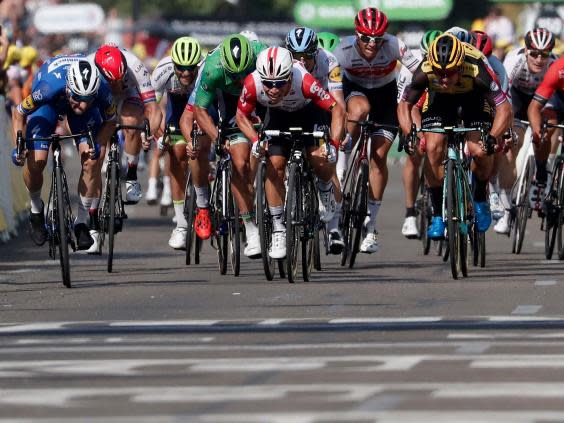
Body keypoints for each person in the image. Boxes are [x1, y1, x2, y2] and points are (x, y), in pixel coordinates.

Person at [398, 34, 513, 239]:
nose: (443, 78)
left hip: (473, 100)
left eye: (448, 73)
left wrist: (494, 137)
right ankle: (437, 215)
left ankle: (479, 199)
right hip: (440, 101)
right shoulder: (425, 70)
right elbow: (405, 105)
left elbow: (503, 108)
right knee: (432, 148)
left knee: (480, 149)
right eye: (438, 72)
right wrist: (409, 134)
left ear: (460, 67)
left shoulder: (478, 70)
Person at [236, 47, 345, 259]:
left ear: (289, 76)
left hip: (308, 112)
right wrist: (255, 140)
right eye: (268, 84)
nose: (273, 89)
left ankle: (324, 190)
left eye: (279, 84)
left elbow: (337, 109)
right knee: (275, 166)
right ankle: (279, 229)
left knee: (320, 160)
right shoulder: (253, 83)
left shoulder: (304, 80)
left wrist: (333, 143)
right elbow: (241, 115)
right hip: (277, 116)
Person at [333, 7, 421, 253]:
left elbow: (421, 71)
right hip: (355, 91)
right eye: (366, 37)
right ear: (356, 33)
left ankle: (371, 226)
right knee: (359, 109)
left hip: (385, 95)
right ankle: (346, 151)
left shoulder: (395, 45)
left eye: (377, 38)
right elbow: (326, 83)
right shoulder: (342, 50)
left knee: (379, 156)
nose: (372, 43)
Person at [11, 56, 116, 251]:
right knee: (38, 161)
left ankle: (82, 222)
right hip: (49, 104)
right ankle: (36, 210)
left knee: (92, 160)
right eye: (78, 98)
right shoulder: (47, 88)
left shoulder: (101, 89)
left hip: (82, 111)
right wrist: (19, 145)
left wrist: (99, 144)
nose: (82, 105)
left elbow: (111, 121)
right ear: (69, 88)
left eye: (88, 99)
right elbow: (18, 113)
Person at [183, 34, 267, 258]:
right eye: (234, 75)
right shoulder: (212, 68)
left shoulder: (263, 55)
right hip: (231, 106)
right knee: (239, 163)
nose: (240, 79)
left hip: (262, 99)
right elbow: (197, 112)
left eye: (244, 73)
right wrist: (219, 138)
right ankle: (250, 228)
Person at [286, 26, 345, 253]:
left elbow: (337, 103)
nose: (301, 61)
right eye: (296, 56)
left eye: (306, 57)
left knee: (324, 161)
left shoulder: (329, 62)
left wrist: (336, 140)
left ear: (315, 53)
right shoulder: (284, 63)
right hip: (292, 107)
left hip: (322, 106)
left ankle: (333, 227)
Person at [495, 28, 557, 234]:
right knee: (512, 143)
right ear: (526, 51)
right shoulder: (514, 60)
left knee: (547, 133)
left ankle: (540, 173)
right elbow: (504, 96)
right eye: (535, 54)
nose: (539, 59)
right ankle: (505, 208)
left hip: (544, 101)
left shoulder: (554, 66)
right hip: (517, 99)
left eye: (545, 55)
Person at [92, 44, 163, 205]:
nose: (116, 86)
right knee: (99, 124)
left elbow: (153, 108)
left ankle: (131, 176)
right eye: (112, 82)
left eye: (119, 80)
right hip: (101, 94)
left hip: (129, 93)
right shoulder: (90, 66)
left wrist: (148, 133)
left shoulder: (135, 67)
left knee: (132, 124)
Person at [151, 36, 202, 250]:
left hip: (203, 109)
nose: (186, 73)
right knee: (177, 155)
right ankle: (181, 224)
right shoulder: (162, 71)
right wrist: (159, 136)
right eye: (181, 68)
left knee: (202, 150)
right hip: (176, 109)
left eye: (190, 68)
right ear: (173, 65)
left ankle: (208, 196)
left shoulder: (205, 71)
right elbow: (152, 110)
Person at [397, 29, 442, 239]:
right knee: (414, 153)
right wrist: (416, 133)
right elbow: (406, 106)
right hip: (415, 111)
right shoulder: (412, 69)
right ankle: (409, 214)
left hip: (438, 110)